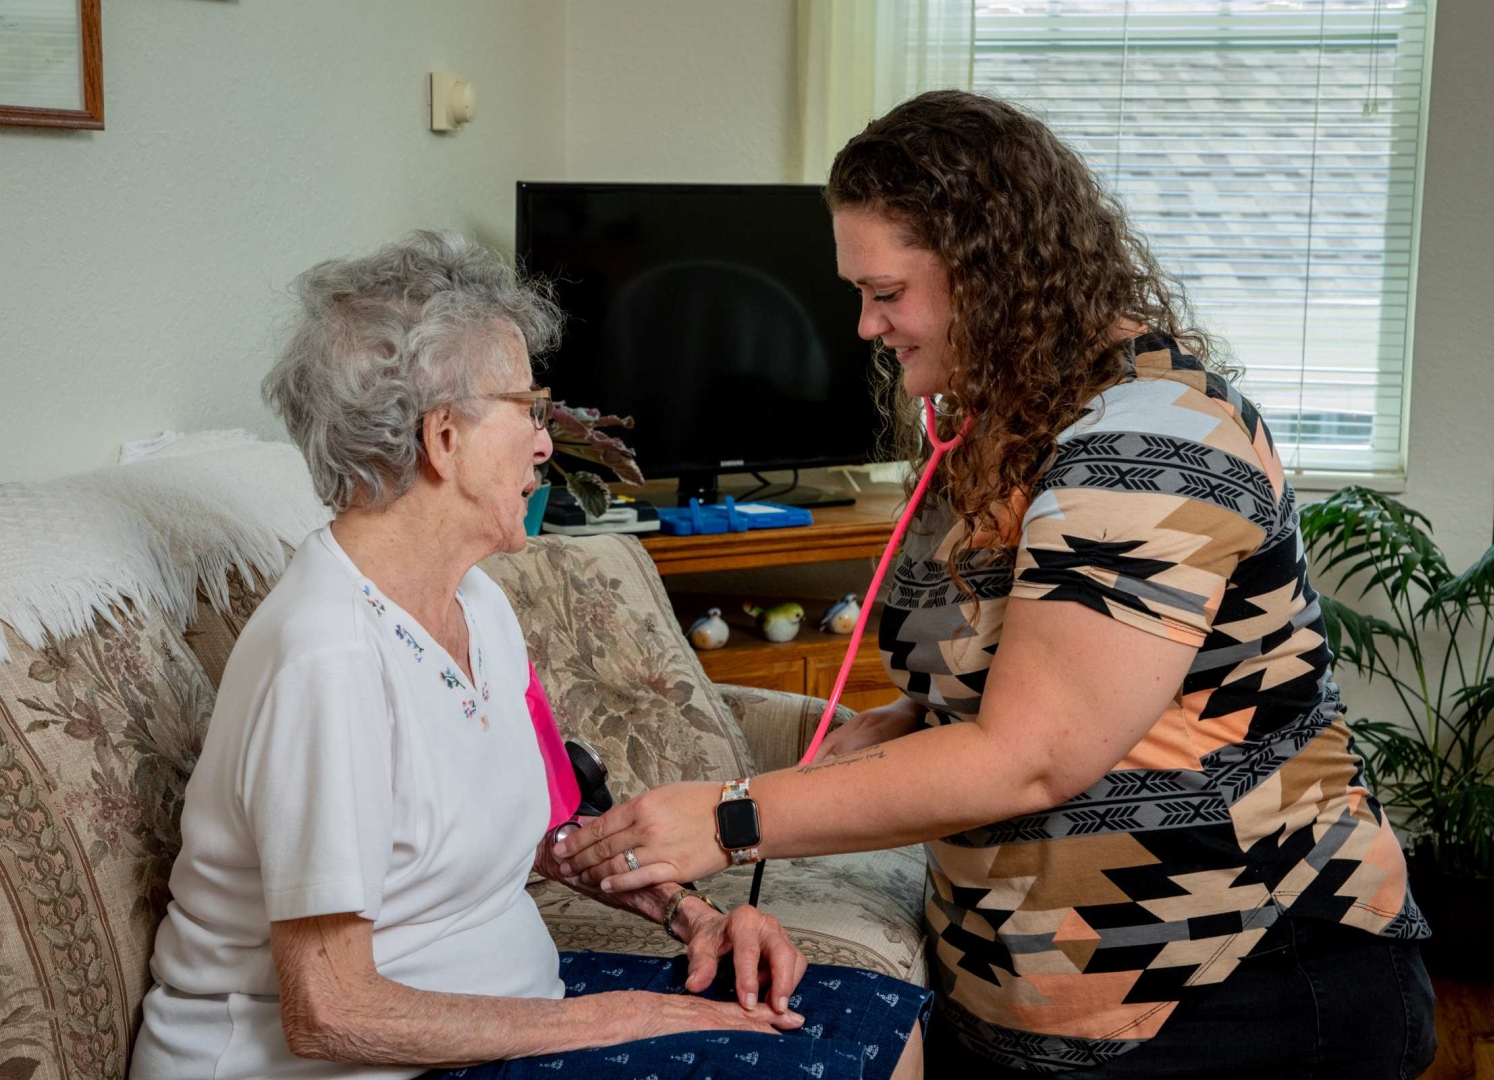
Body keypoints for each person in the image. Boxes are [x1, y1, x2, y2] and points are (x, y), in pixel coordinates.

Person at [552, 92, 1438, 1079]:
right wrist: (904, 724)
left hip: (1232, 994)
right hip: (1036, 1001)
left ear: (993, 268)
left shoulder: (1151, 443)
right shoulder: (1006, 429)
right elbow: (1038, 675)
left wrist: (731, 817)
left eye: (886, 292)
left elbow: (1031, 756)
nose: (864, 325)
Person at [129, 231, 930, 1080]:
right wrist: (614, 1019)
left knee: (875, 1027)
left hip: (509, 1013)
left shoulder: (477, 602)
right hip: (362, 1065)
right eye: (528, 411)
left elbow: (555, 831)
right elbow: (332, 1011)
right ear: (444, 439)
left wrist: (693, 917)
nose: (546, 444)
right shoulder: (327, 659)